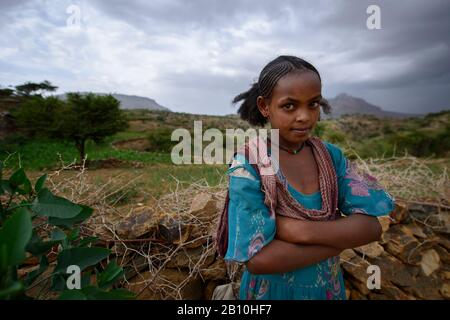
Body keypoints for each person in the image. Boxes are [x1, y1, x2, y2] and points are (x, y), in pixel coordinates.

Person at [215, 55, 394, 300]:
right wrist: (339, 239)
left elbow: (371, 227)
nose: (305, 116)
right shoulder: (249, 165)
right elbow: (258, 259)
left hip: (328, 292)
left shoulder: (331, 157)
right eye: (289, 105)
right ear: (265, 106)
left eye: (313, 104)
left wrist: (300, 232)